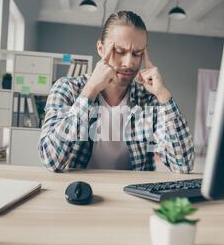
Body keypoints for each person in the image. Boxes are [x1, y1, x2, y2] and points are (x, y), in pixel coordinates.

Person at [38, 10, 195, 173]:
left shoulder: (148, 99)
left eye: (137, 54)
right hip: (80, 191)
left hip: (132, 194)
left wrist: (163, 95)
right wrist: (90, 90)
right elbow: (51, 161)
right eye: (120, 51)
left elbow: (183, 165)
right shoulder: (67, 89)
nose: (129, 63)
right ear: (100, 48)